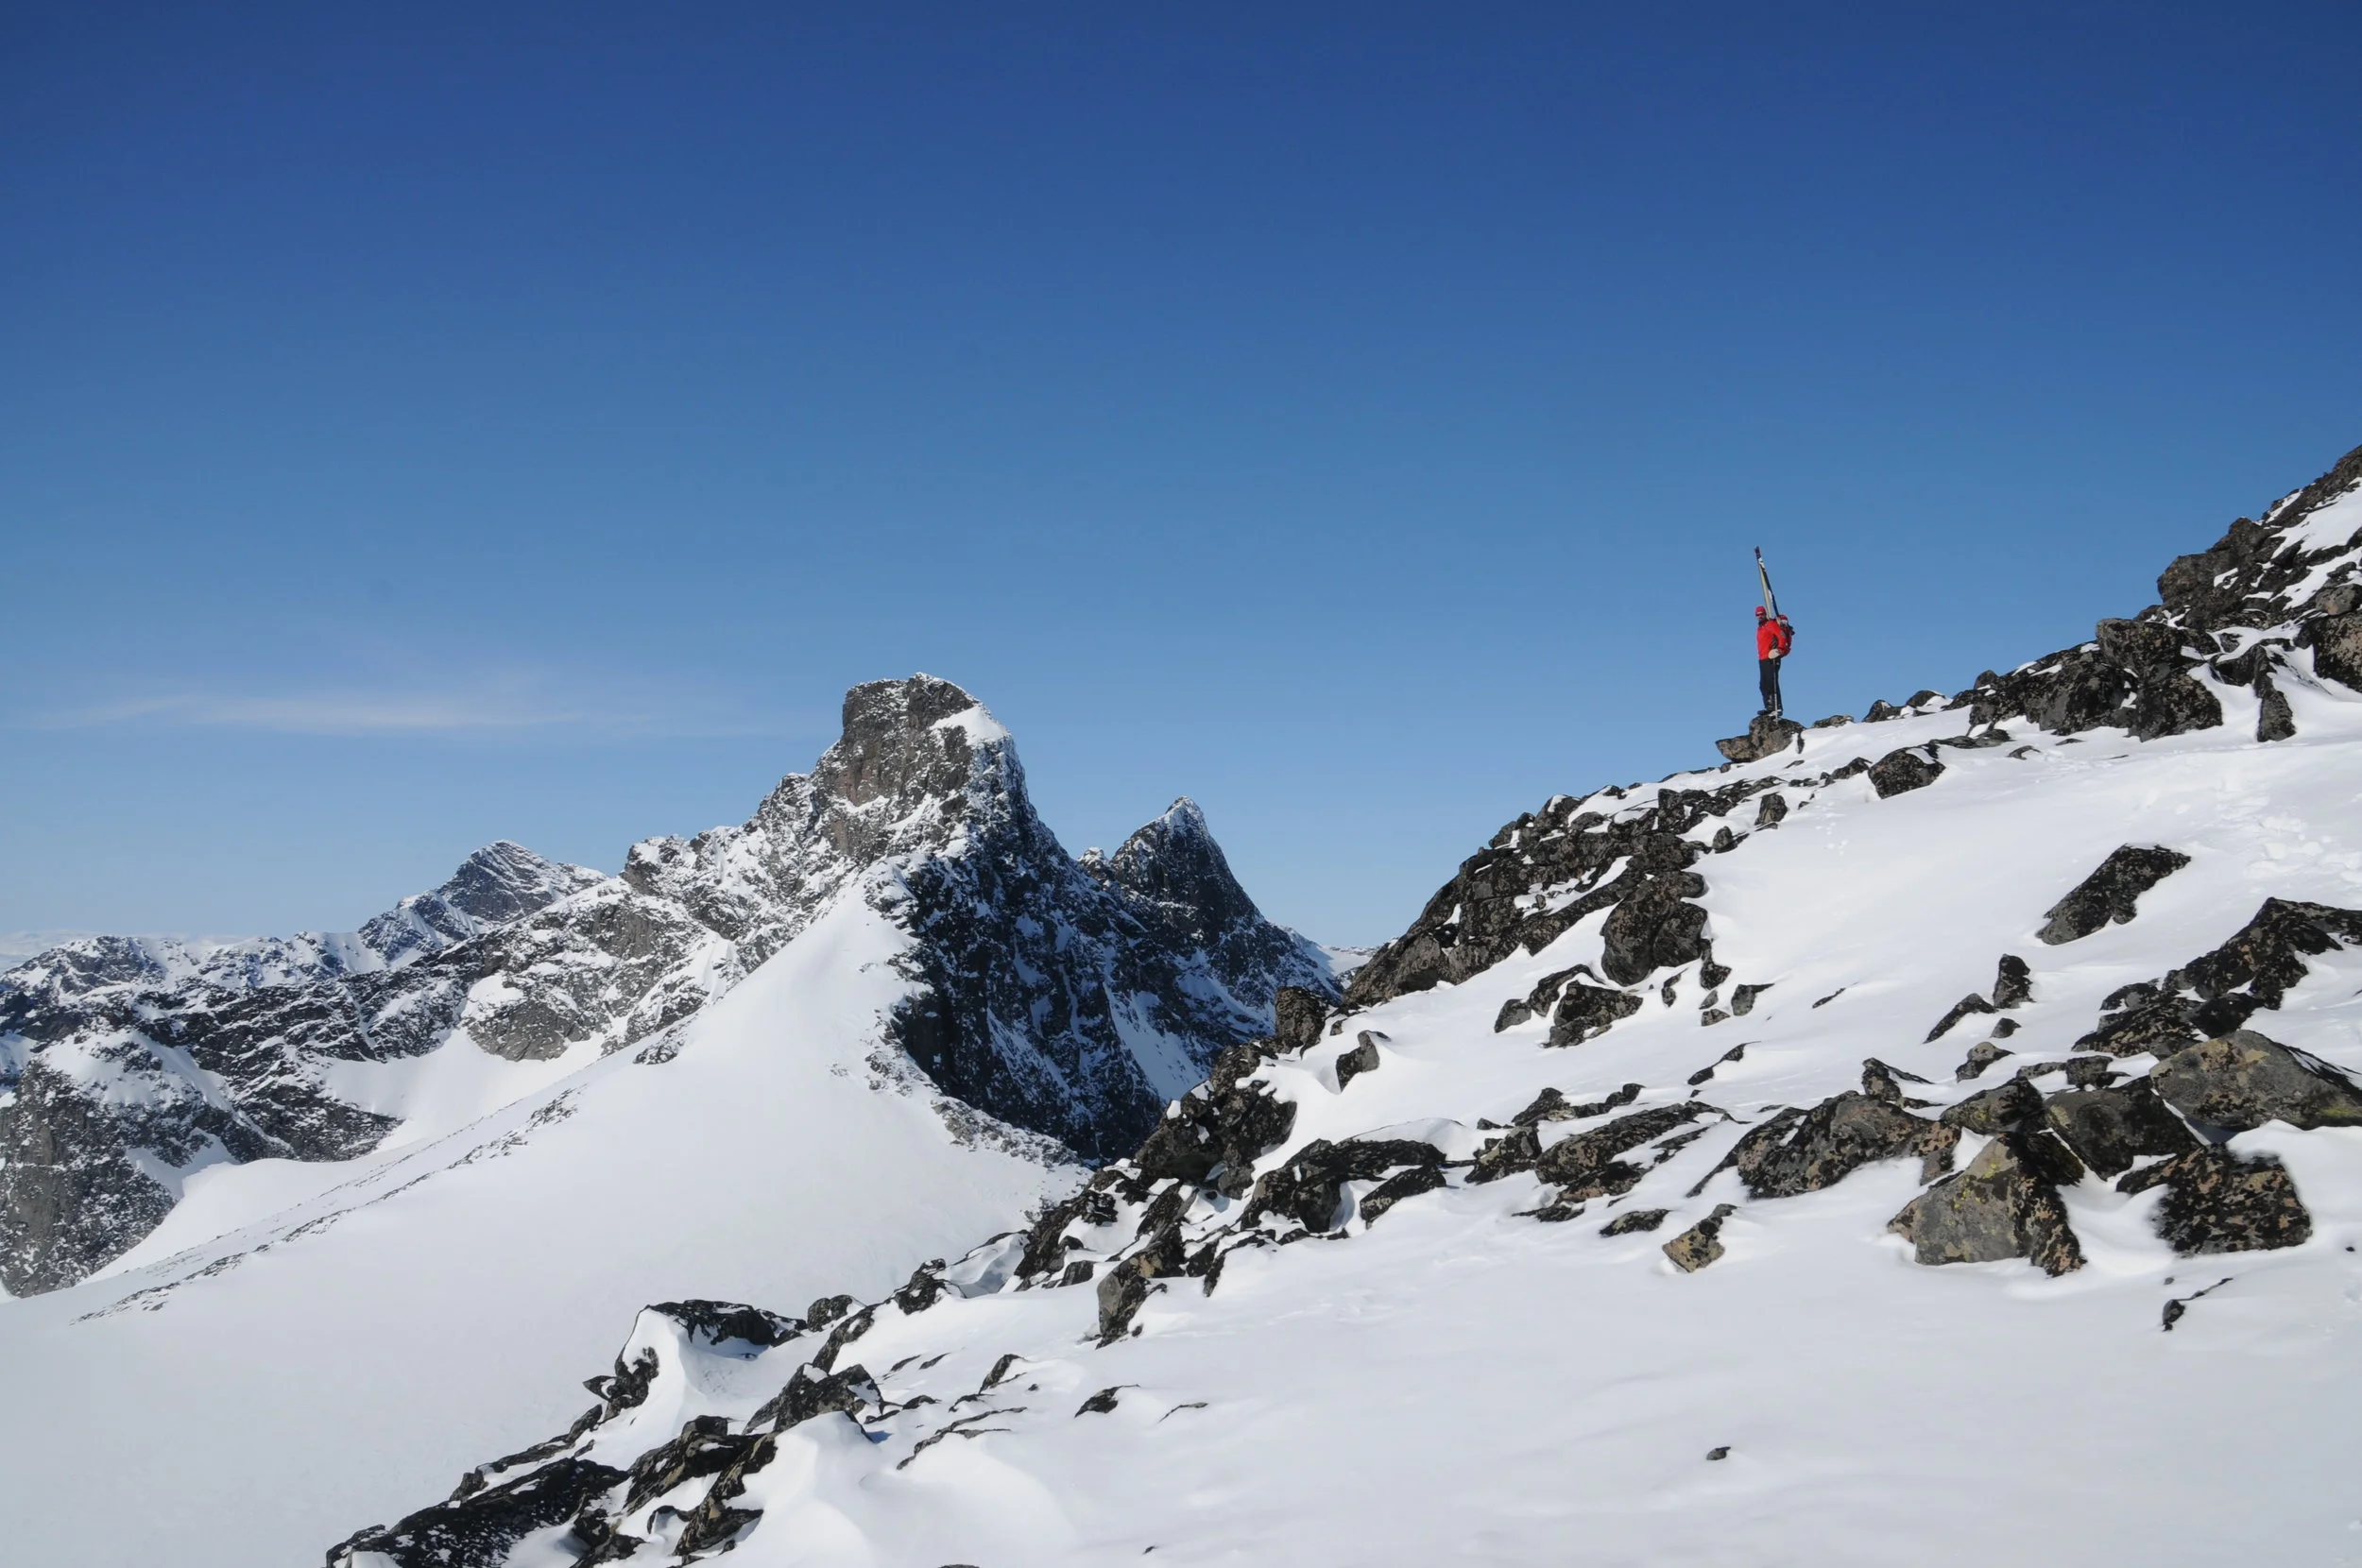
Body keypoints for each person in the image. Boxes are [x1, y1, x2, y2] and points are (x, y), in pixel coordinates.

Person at [1754, 605, 1794, 717]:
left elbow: (1781, 636)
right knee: (1763, 684)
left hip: (1771, 657)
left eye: (1761, 614)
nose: (1760, 616)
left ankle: (1777, 707)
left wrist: (1780, 649)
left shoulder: (1770, 624)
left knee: (1772, 682)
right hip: (1762, 658)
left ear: (1765, 614)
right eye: (1758, 615)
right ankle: (1769, 706)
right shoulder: (1760, 628)